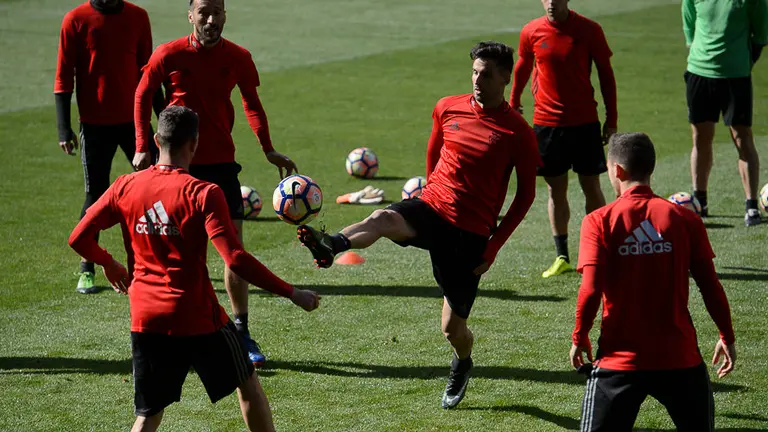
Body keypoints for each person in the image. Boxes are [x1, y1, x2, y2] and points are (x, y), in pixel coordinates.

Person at [297, 41, 540, 409]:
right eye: (474, 71)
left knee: (452, 330)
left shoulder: (518, 132)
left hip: (471, 233)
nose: (478, 80)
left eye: (487, 74)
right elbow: (434, 150)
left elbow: (525, 196)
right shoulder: (447, 107)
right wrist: (429, 195)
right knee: (382, 218)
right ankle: (332, 243)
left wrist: (494, 245)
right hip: (432, 208)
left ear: (505, 77)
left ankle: (463, 361)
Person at [68, 106, 320, 432]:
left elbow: (78, 238)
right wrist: (292, 292)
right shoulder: (203, 193)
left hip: (146, 317)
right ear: (195, 144)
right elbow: (235, 259)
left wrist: (108, 262)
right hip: (197, 317)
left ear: (157, 140)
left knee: (149, 413)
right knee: (248, 384)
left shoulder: (125, 187)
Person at [133, 0, 299, 367]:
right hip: (178, 169)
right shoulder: (168, 53)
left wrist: (268, 149)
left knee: (232, 252)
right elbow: (143, 94)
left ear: (225, 15)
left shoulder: (238, 57)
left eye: (217, 12)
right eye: (203, 12)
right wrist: (143, 146)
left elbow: (252, 104)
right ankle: (179, 331)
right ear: (190, 15)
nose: (211, 20)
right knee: (181, 256)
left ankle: (240, 329)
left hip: (222, 166)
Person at [570, 132, 736, 431]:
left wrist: (579, 335)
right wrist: (727, 335)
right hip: (680, 358)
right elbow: (711, 286)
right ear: (650, 168)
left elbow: (591, 289)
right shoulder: (685, 220)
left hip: (619, 361)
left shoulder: (598, 221)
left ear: (617, 170)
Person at [55, 0, 164, 294]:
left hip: (136, 123)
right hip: (94, 126)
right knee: (95, 195)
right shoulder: (75, 20)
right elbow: (64, 77)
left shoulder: (138, 17)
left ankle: (161, 261)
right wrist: (64, 128)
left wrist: (163, 115)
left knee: (158, 188)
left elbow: (148, 72)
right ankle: (87, 267)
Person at [510, 0, 618, 278]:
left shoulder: (589, 30)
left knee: (591, 186)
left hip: (584, 123)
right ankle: (562, 256)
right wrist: (514, 101)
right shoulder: (531, 31)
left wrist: (612, 119)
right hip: (547, 126)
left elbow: (606, 75)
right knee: (554, 190)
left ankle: (599, 250)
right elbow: (523, 65)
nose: (552, 3)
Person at [682, 0, 768, 226]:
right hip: (699, 73)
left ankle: (751, 207)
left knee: (742, 137)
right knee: (700, 137)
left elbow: (761, 34)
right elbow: (689, 26)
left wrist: (742, 62)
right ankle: (700, 201)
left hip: (736, 76)